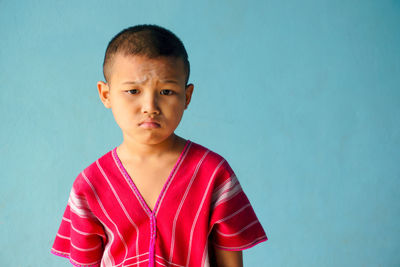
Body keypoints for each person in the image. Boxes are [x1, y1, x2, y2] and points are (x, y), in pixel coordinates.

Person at [51, 24, 267, 267]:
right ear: (105, 94)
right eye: (133, 90)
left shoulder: (213, 174)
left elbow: (230, 260)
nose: (150, 106)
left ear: (187, 97)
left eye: (166, 91)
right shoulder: (90, 185)